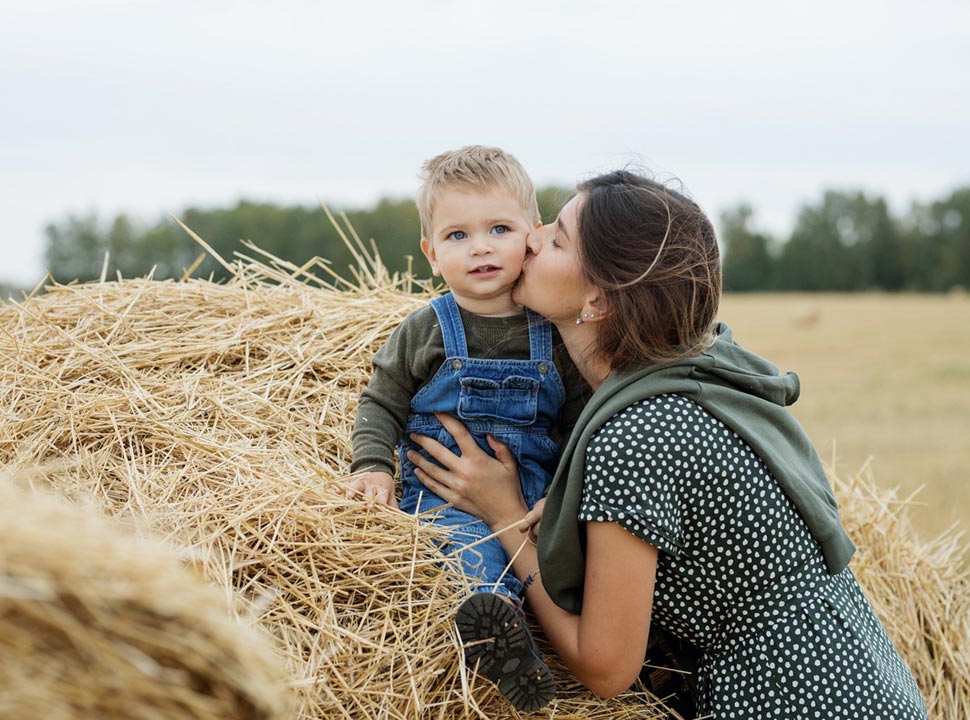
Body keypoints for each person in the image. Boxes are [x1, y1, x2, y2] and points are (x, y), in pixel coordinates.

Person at [404, 170, 930, 719]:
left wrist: (504, 515)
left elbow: (607, 667)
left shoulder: (636, 435)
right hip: (864, 681)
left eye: (557, 238)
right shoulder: (696, 375)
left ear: (599, 300)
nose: (531, 236)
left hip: (790, 701)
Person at [346, 145, 589, 712]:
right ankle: (499, 632)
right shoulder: (425, 327)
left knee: (575, 565)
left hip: (535, 496)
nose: (479, 247)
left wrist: (560, 493)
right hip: (446, 497)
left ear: (531, 236)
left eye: (498, 228)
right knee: (468, 555)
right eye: (457, 236)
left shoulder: (552, 331)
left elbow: (581, 425)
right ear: (431, 253)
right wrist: (373, 466)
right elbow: (381, 400)